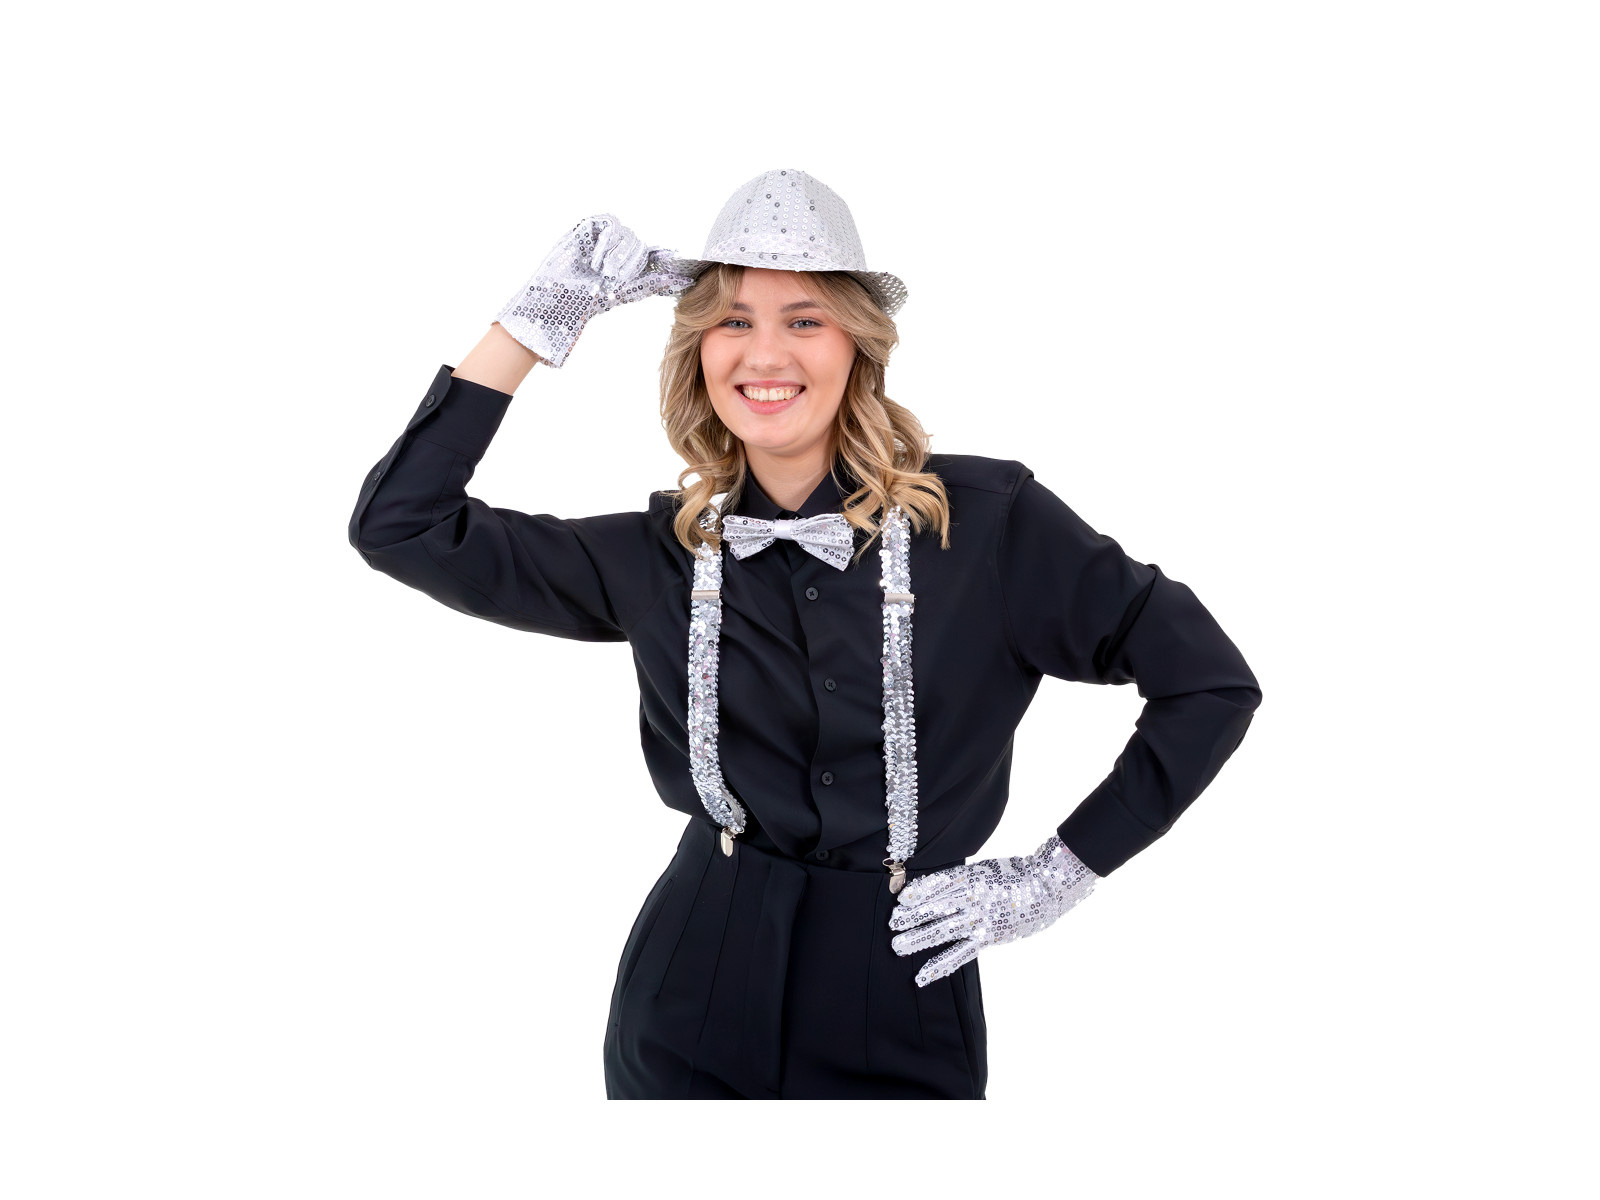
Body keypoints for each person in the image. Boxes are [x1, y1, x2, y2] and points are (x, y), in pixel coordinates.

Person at [347, 168, 1262, 1100]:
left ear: (857, 347)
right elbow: (401, 526)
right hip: (689, 983)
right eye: (733, 321)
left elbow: (1208, 682)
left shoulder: (989, 524)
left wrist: (1058, 874)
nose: (765, 354)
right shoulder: (660, 554)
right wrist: (537, 319)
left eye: (804, 319)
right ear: (698, 352)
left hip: (902, 984)